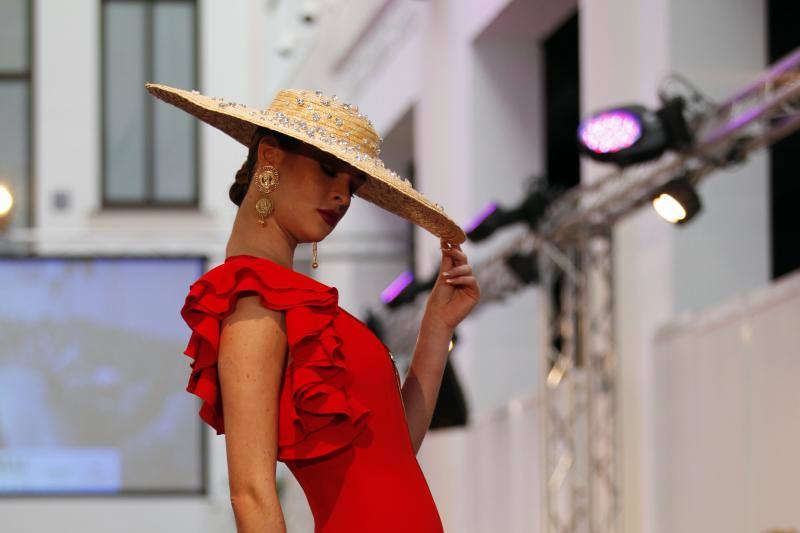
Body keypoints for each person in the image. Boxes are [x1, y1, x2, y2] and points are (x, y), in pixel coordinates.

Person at [146, 84, 480, 532]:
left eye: (352, 185)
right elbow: (251, 492)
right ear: (269, 157)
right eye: (328, 172)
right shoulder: (254, 302)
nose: (343, 196)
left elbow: (393, 452)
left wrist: (436, 328)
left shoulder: (301, 304)